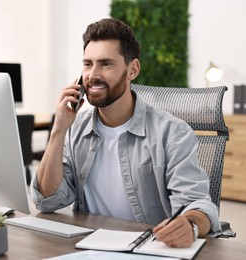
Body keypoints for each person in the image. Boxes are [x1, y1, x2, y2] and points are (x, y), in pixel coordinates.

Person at [31, 18, 221, 248]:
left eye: (106, 64)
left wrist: (190, 225)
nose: (93, 74)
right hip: (89, 247)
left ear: (133, 69)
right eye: (88, 64)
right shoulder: (74, 128)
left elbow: (198, 205)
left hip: (148, 249)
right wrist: (59, 130)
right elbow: (48, 201)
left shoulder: (173, 133)